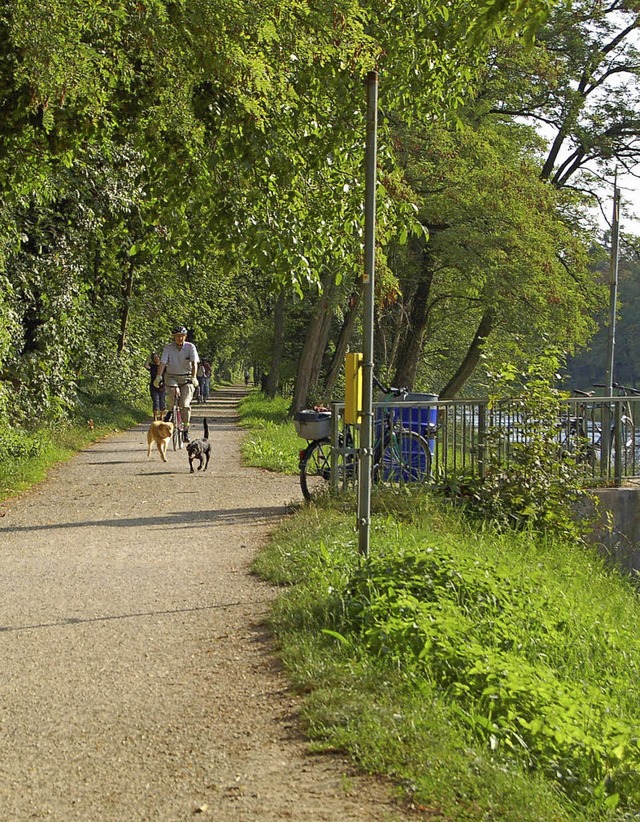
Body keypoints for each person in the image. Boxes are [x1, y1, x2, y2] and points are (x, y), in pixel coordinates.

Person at [154, 326, 199, 442]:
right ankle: (171, 411)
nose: (179, 338)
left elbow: (194, 363)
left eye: (182, 336)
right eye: (177, 336)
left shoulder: (190, 347)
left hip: (187, 377)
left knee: (184, 405)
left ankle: (185, 431)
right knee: (172, 397)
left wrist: (194, 377)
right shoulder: (168, 348)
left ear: (185, 336)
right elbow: (163, 363)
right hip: (172, 376)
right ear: (174, 337)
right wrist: (158, 376)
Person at [145, 352, 166, 421]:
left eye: (157, 357)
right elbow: (146, 366)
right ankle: (155, 418)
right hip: (153, 386)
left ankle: (162, 416)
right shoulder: (152, 366)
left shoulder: (163, 366)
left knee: (162, 402)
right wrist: (147, 360)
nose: (156, 359)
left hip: (162, 386)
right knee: (155, 402)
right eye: (154, 358)